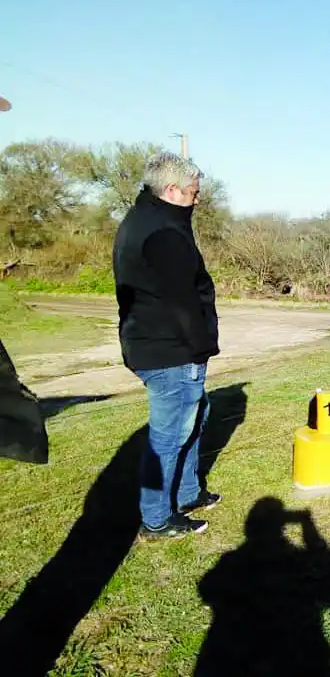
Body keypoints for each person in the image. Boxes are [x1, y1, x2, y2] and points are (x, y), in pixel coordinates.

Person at [112, 152, 222, 540]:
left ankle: (189, 493)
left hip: (160, 345)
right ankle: (157, 519)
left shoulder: (147, 219)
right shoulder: (162, 232)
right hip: (170, 350)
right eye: (193, 192)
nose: (197, 198)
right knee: (169, 435)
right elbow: (182, 300)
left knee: (195, 417)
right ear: (172, 190)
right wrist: (200, 347)